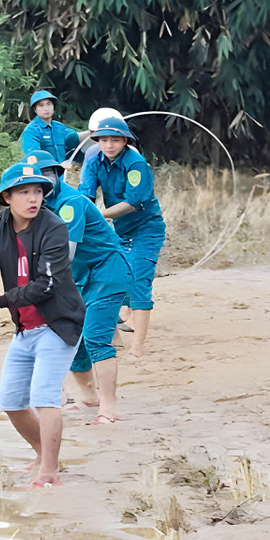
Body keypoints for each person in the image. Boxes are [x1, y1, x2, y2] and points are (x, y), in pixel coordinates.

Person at [0, 162, 85, 487]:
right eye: (24, 192)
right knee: (10, 401)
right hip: (25, 328)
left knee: (44, 396)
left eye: (37, 191)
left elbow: (46, 284)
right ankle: (43, 454)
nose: (33, 198)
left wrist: (1, 300)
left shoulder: (53, 227)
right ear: (7, 196)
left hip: (58, 324)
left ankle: (49, 471)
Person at [26, 150, 132, 424]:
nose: (37, 190)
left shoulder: (70, 202)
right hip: (80, 277)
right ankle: (88, 397)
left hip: (107, 272)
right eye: (29, 186)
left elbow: (66, 253)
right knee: (71, 337)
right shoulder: (34, 208)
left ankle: (108, 408)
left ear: (57, 176)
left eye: (45, 179)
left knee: (96, 337)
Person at [78, 115, 165, 358]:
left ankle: (137, 349)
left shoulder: (135, 163)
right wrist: (83, 213)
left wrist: (100, 216)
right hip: (117, 229)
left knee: (138, 280)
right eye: (103, 140)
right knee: (107, 278)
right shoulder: (94, 157)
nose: (109, 145)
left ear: (126, 141)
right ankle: (113, 340)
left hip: (146, 228)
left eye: (115, 140)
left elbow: (133, 202)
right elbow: (85, 192)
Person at [20, 90, 81, 161]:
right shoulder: (31, 131)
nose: (46, 109)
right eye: (41, 105)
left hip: (63, 170)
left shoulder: (59, 127)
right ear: (35, 109)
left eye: (49, 104)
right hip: (45, 170)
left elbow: (75, 137)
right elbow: (32, 159)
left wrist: (91, 133)